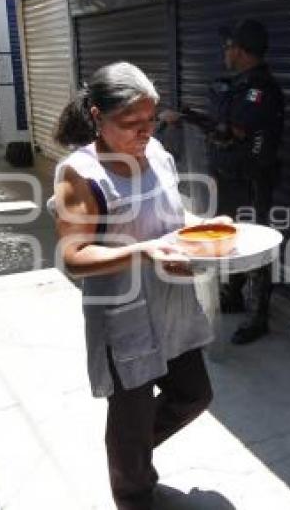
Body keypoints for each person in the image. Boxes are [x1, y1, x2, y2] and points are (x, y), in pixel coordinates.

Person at [49, 62, 228, 510]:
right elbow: (74, 256)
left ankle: (129, 459)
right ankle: (133, 493)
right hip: (122, 314)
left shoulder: (159, 154)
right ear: (97, 116)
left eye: (150, 120)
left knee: (193, 395)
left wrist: (205, 228)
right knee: (131, 414)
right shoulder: (81, 174)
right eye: (131, 124)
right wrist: (143, 252)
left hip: (170, 304)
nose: (144, 131)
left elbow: (171, 219)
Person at [161, 19, 285, 345]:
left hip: (253, 180)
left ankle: (258, 315)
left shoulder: (260, 91)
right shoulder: (240, 85)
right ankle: (234, 294)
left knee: (258, 245)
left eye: (228, 46)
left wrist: (187, 118)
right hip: (230, 179)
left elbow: (230, 132)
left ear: (241, 51)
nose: (224, 52)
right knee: (233, 238)